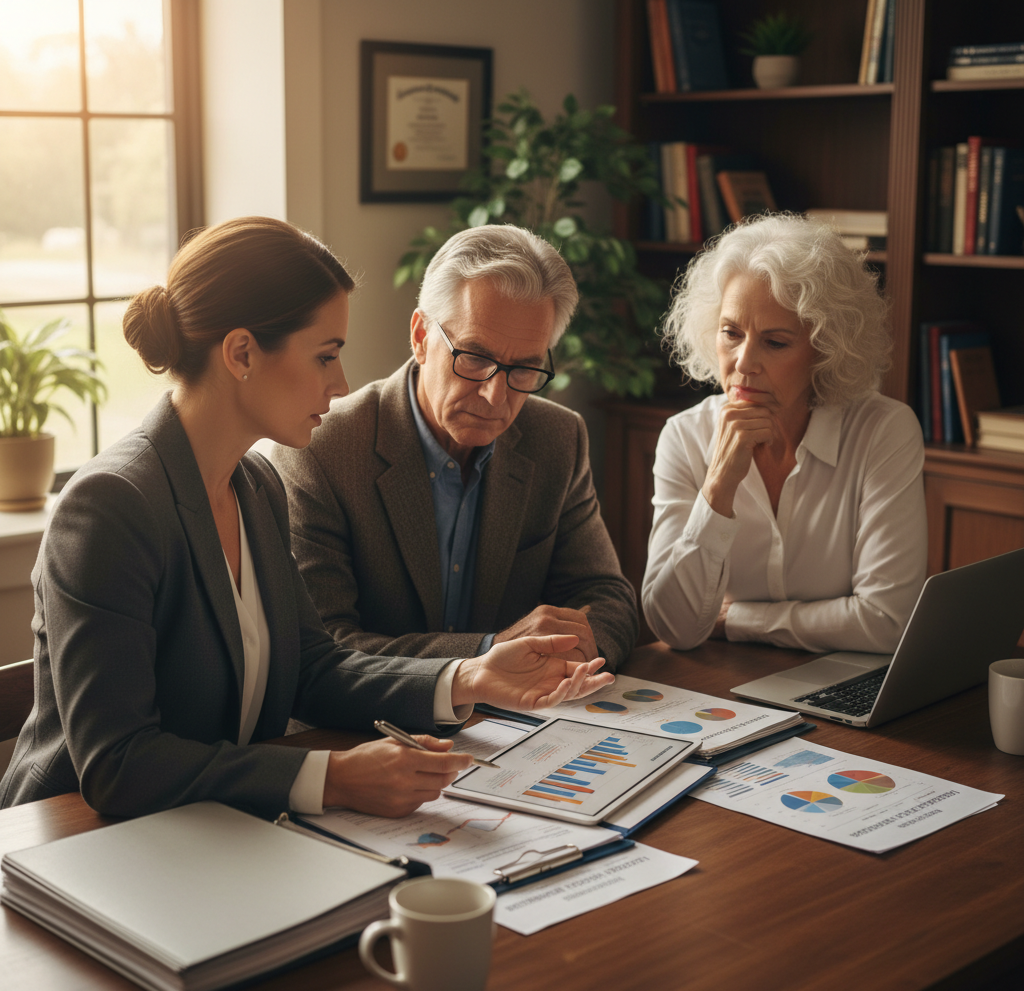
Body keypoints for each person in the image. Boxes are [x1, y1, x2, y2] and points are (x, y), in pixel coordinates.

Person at [0, 217, 613, 821]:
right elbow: (117, 766)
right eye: (325, 356)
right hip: (71, 843)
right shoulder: (109, 505)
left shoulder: (256, 484)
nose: (342, 381)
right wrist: (332, 777)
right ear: (241, 353)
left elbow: (313, 668)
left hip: (213, 826)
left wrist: (470, 676)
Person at [272, 224, 638, 671]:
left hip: (523, 721)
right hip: (370, 727)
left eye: (524, 369)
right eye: (475, 358)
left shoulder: (558, 439)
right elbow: (327, 644)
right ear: (421, 337)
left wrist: (572, 649)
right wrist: (490, 653)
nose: (495, 397)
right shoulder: (323, 448)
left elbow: (607, 596)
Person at [642, 213, 927, 654]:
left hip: (840, 684)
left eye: (775, 342)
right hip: (718, 688)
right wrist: (717, 487)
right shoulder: (684, 437)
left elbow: (888, 621)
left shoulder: (883, 431)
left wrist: (736, 616)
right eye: (730, 333)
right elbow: (674, 627)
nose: (743, 362)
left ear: (826, 348)